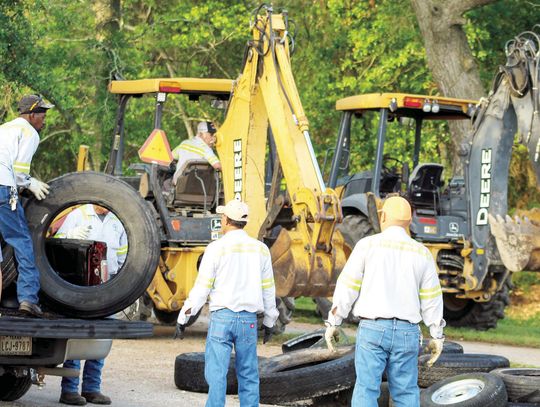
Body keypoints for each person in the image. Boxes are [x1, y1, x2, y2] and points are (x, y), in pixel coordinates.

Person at [324, 196, 445, 407]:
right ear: (409, 221)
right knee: (406, 394)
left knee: (366, 389)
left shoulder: (367, 245)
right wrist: (437, 334)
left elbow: (348, 286)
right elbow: (431, 299)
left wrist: (334, 322)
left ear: (384, 216)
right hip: (408, 333)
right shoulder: (422, 253)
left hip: (373, 329)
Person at [175, 199, 279, 407]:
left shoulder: (216, 248)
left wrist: (184, 317)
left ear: (225, 220)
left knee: (217, 375)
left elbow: (202, 288)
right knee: (249, 374)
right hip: (248, 321)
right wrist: (270, 320)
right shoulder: (260, 250)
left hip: (222, 319)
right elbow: (268, 288)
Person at [55, 204, 126, 406]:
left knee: (100, 338)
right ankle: (69, 390)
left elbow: (124, 255)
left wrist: (127, 290)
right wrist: (70, 233)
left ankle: (91, 389)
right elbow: (56, 243)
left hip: (108, 286)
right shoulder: (79, 214)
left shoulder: (119, 220)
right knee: (77, 337)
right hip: (80, 286)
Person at [0, 94, 53, 317]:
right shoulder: (28, 132)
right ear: (32, 115)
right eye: (42, 114)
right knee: (21, 241)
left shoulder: (4, 128)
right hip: (3, 188)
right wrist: (31, 183)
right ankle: (28, 300)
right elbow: (20, 171)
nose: (44, 119)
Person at [172, 121, 222, 185]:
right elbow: (218, 166)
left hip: (179, 187)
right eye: (211, 135)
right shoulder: (206, 149)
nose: (213, 138)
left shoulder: (184, 144)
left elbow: (170, 157)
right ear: (200, 134)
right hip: (200, 189)